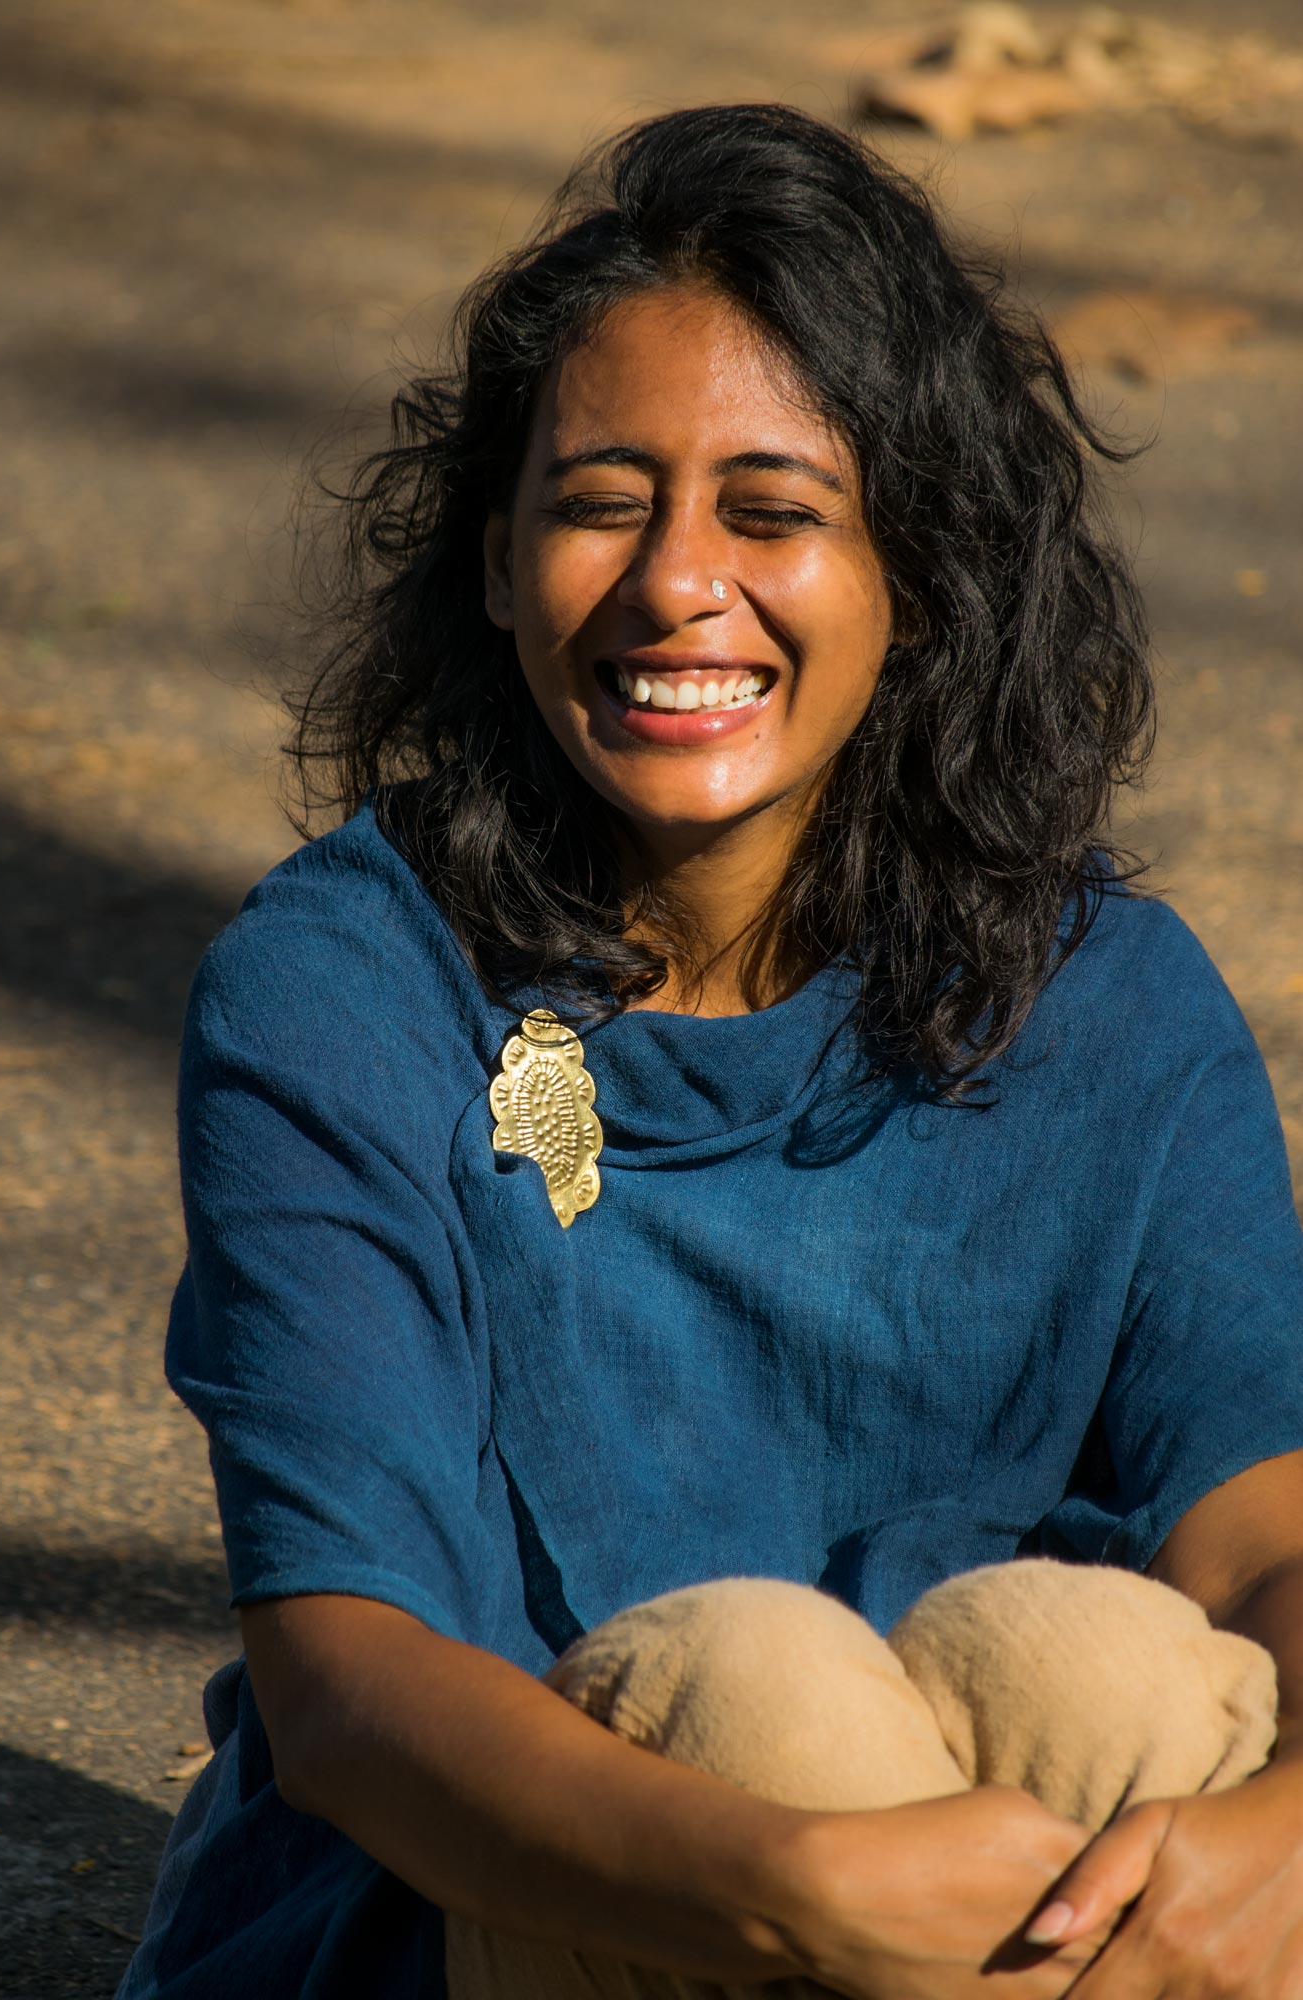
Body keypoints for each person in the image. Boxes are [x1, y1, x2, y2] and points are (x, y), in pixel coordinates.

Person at [117, 102, 1303, 2000]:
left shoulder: (1112, 1003)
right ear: (496, 563)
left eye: (774, 513)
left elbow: (1260, 1547)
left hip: (988, 1870)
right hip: (474, 1901)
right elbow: (345, 1678)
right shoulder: (347, 988)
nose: (678, 581)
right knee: (764, 1693)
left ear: (917, 582)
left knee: (1112, 1674)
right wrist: (794, 1892)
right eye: (600, 502)